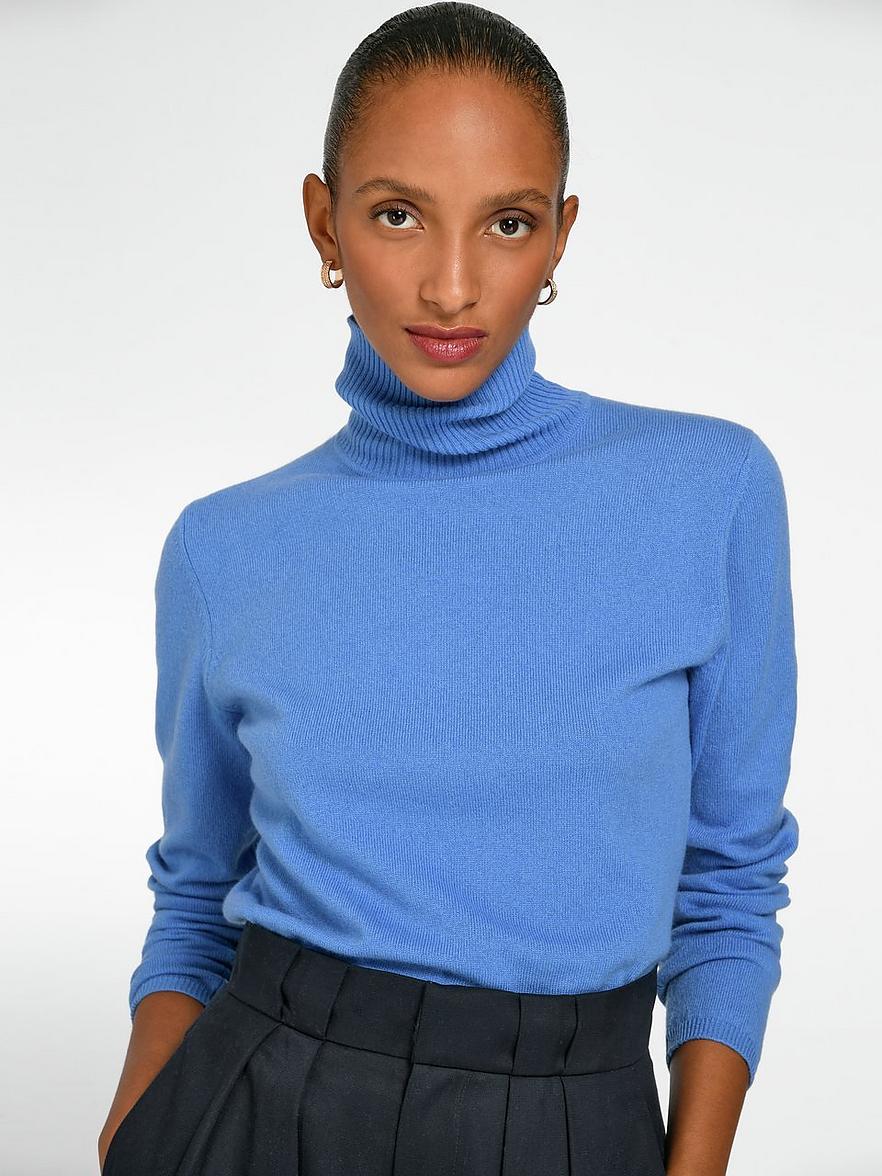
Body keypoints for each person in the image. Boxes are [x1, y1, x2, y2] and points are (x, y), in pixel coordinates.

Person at [98, 4, 800, 1174]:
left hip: (573, 1115)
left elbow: (729, 879)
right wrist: (133, 1132)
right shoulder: (224, 547)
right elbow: (197, 891)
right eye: (397, 214)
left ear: (561, 236)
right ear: (323, 222)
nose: (453, 285)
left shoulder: (709, 488)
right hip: (258, 1106)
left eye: (508, 223)